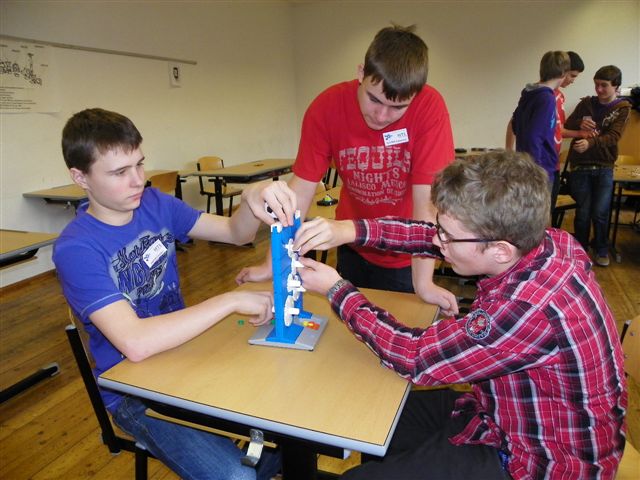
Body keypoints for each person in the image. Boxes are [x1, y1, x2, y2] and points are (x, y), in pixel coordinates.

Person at [293, 151, 627, 479]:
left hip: (538, 463)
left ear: (500, 250)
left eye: (447, 236)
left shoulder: (527, 308)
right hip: (498, 414)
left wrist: (336, 289)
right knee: (373, 419)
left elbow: (414, 357)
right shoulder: (547, 241)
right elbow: (426, 235)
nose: (437, 240)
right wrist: (348, 230)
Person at [53, 108, 294, 480]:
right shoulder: (76, 248)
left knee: (293, 419)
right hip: (133, 392)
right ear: (80, 177)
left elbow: (237, 233)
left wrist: (251, 197)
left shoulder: (156, 204)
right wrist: (230, 300)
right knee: (238, 476)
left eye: (139, 164)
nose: (138, 180)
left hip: (184, 354)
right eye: (119, 172)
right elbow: (135, 343)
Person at [236, 24, 458, 316]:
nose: (382, 115)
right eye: (374, 99)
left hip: (407, 256)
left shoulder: (430, 107)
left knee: (399, 331)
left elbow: (426, 206)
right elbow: (299, 194)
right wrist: (273, 263)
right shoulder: (326, 108)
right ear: (361, 73)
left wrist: (424, 284)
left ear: (414, 97)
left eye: (397, 108)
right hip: (351, 242)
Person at [564, 65, 632, 267]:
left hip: (604, 167)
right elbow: (567, 124)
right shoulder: (586, 103)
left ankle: (601, 248)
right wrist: (579, 124)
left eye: (604, 85)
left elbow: (614, 136)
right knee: (583, 212)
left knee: (601, 212)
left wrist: (590, 143)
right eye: (596, 85)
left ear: (616, 86)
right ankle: (581, 249)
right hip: (580, 166)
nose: (599, 89)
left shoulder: (623, 108)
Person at [507, 51, 570, 207]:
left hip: (527, 164)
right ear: (563, 73)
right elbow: (534, 136)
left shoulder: (529, 94)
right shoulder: (546, 98)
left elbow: (515, 124)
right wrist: (537, 171)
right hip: (541, 168)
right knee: (540, 214)